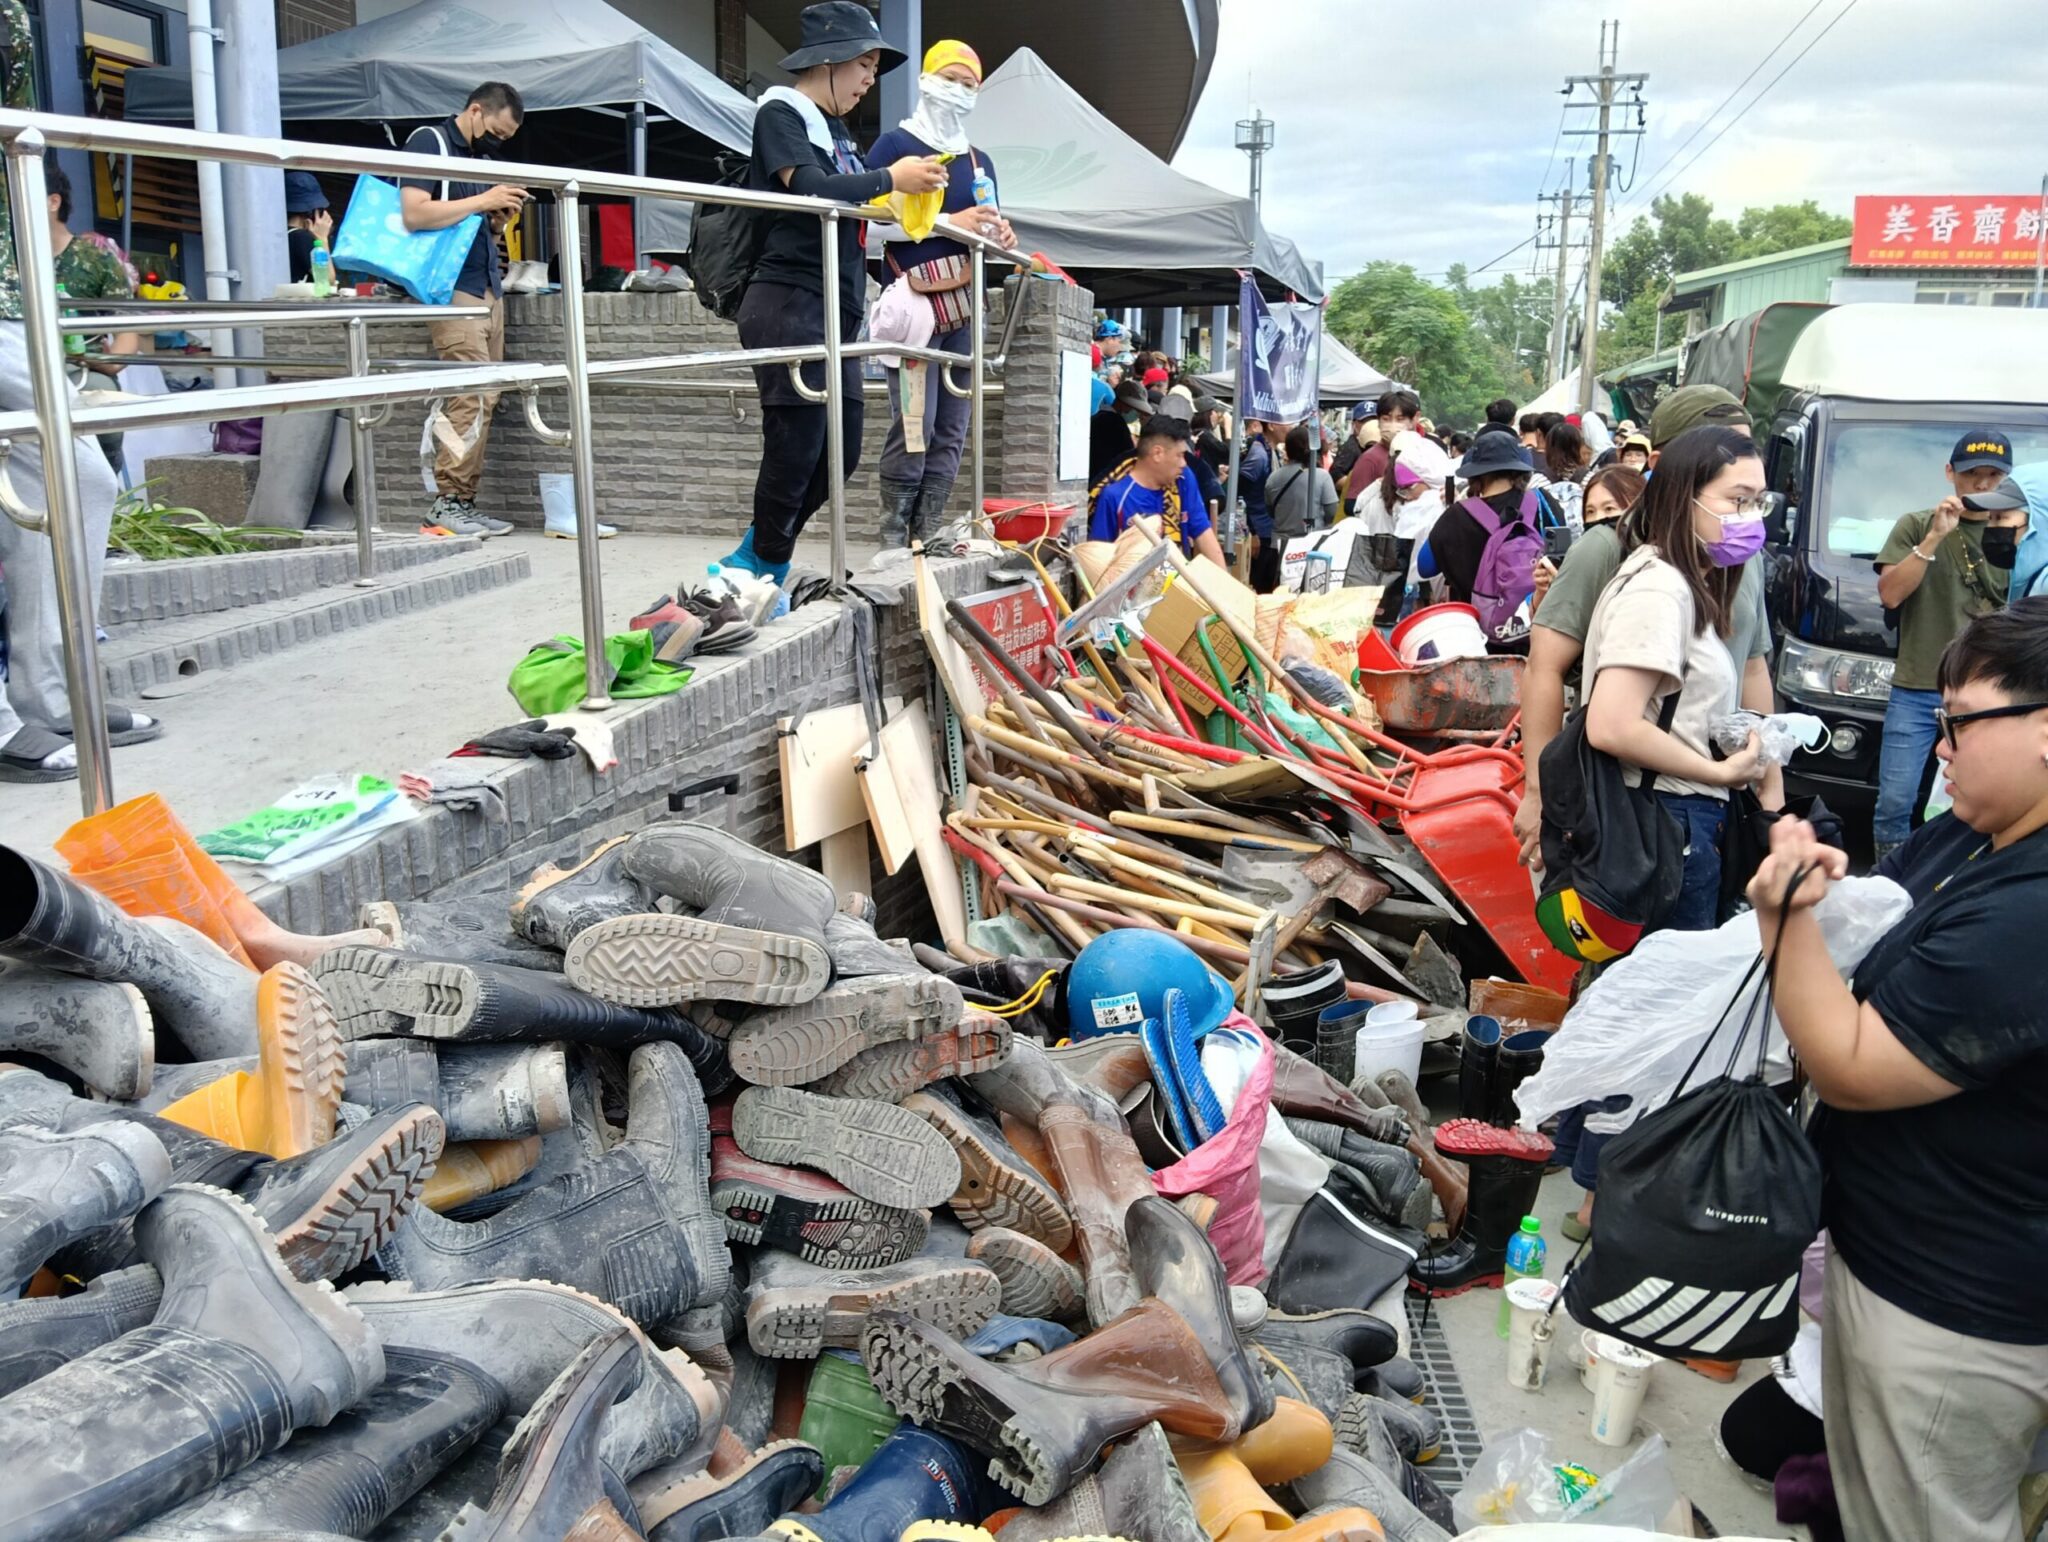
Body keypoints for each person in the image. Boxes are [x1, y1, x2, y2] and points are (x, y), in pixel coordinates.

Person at [1747, 599, 2048, 1542]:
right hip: (1903, 1260)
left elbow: (1852, 1064)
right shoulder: (1982, 833)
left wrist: (1785, 917)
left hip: (1957, 1309)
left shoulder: (2033, 916)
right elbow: (1893, 906)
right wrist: (1828, 886)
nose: (1941, 745)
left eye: (1959, 721)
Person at [1542, 426, 1774, 1243]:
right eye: (1737, 501)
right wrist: (1714, 774)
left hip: (1681, 819)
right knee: (1657, 1015)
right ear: (1684, 498)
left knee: (1636, 1002)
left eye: (1759, 501)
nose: (1752, 517)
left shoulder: (1696, 583)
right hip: (1664, 824)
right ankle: (1607, 1204)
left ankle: (1592, 1172)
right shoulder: (1659, 589)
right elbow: (1609, 722)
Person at [717, 4, 946, 585]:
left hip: (837, 304)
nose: (871, 79)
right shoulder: (781, 110)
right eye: (865, 65)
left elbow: (857, 199)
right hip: (789, 295)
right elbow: (814, 188)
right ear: (830, 59)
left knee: (837, 453)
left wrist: (930, 203)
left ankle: (759, 550)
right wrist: (893, 177)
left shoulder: (837, 128)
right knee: (796, 446)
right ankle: (764, 565)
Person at [0, 1, 154, 781]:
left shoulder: (14, 25)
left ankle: (48, 693)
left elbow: (126, 320)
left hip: (11, 315)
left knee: (82, 479)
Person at [868, 39, 1015, 549]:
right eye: (949, 79)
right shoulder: (893, 148)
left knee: (952, 428)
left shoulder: (980, 162)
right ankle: (892, 539)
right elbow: (862, 231)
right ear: (926, 79)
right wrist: (951, 224)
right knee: (915, 423)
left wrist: (997, 236)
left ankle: (924, 532)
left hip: (964, 308)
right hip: (912, 307)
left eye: (970, 84)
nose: (958, 92)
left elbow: (986, 227)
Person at [1870, 429, 2019, 862]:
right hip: (1918, 686)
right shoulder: (1917, 523)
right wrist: (1934, 537)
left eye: (1995, 476)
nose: (1984, 485)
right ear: (1951, 473)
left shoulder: (2017, 530)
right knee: (1895, 802)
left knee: (1978, 797)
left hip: (1989, 692)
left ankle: (1952, 879)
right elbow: (1890, 594)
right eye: (1974, 474)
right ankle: (1889, 883)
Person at [400, 82, 532, 538]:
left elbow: (470, 223)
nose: (499, 141)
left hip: (487, 286)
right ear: (475, 111)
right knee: (467, 395)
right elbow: (414, 213)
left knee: (485, 397)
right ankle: (445, 502)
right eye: (496, 130)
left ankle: (462, 501)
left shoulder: (483, 161)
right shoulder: (428, 142)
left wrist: (497, 219)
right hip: (451, 289)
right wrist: (484, 200)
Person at [45, 155, 138, 478]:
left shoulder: (93, 256)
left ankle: (106, 509)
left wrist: (103, 361)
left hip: (82, 370)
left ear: (53, 202)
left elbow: (127, 332)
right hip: (19, 370)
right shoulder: (8, 262)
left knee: (103, 423)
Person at [1413, 430, 1542, 648]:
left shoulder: (1457, 516)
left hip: (1474, 638)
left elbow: (1425, 567)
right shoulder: (1542, 503)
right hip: (1535, 633)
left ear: (1475, 474)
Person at [1087, 414, 1227, 564]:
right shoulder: (1115, 497)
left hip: (1176, 577)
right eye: (1179, 455)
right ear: (1157, 453)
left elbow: (1202, 531)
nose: (1184, 463)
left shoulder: (1184, 479)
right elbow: (1099, 560)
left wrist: (1225, 584)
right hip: (1131, 582)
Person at [1529, 462, 1643, 613]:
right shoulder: (1582, 560)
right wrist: (1545, 591)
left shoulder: (1651, 567)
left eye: (1609, 508)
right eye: (1590, 511)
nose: (1598, 518)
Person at [1262, 423, 1338, 569]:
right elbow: (1332, 512)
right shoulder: (1322, 477)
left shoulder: (1273, 478)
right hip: (1312, 545)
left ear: (1288, 449)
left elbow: (1271, 511)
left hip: (1280, 547)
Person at [1348, 387, 1420, 497]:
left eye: (1400, 419)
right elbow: (1352, 504)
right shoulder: (1370, 459)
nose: (1392, 425)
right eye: (1386, 419)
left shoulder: (1421, 454)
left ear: (1414, 420)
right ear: (1378, 421)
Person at [1239, 418, 1283, 591]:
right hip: (1259, 533)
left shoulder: (1271, 451)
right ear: (1271, 425)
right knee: (1258, 588)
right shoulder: (1259, 455)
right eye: (1286, 422)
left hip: (1268, 530)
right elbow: (1240, 493)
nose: (1291, 426)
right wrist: (1251, 531)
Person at [1088, 379, 1151, 490]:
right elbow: (1129, 458)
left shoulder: (1096, 418)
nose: (1137, 415)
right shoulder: (1115, 424)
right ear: (1124, 405)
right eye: (1135, 410)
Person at [283, 171, 332, 284]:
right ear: (313, 212)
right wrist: (322, 240)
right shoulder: (301, 237)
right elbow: (327, 280)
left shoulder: (280, 234)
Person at [1329, 400, 1375, 498]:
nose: (1369, 425)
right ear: (1355, 424)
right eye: (1364, 421)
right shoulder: (1352, 447)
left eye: (1373, 420)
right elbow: (1335, 476)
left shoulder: (1374, 445)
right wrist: (1364, 486)